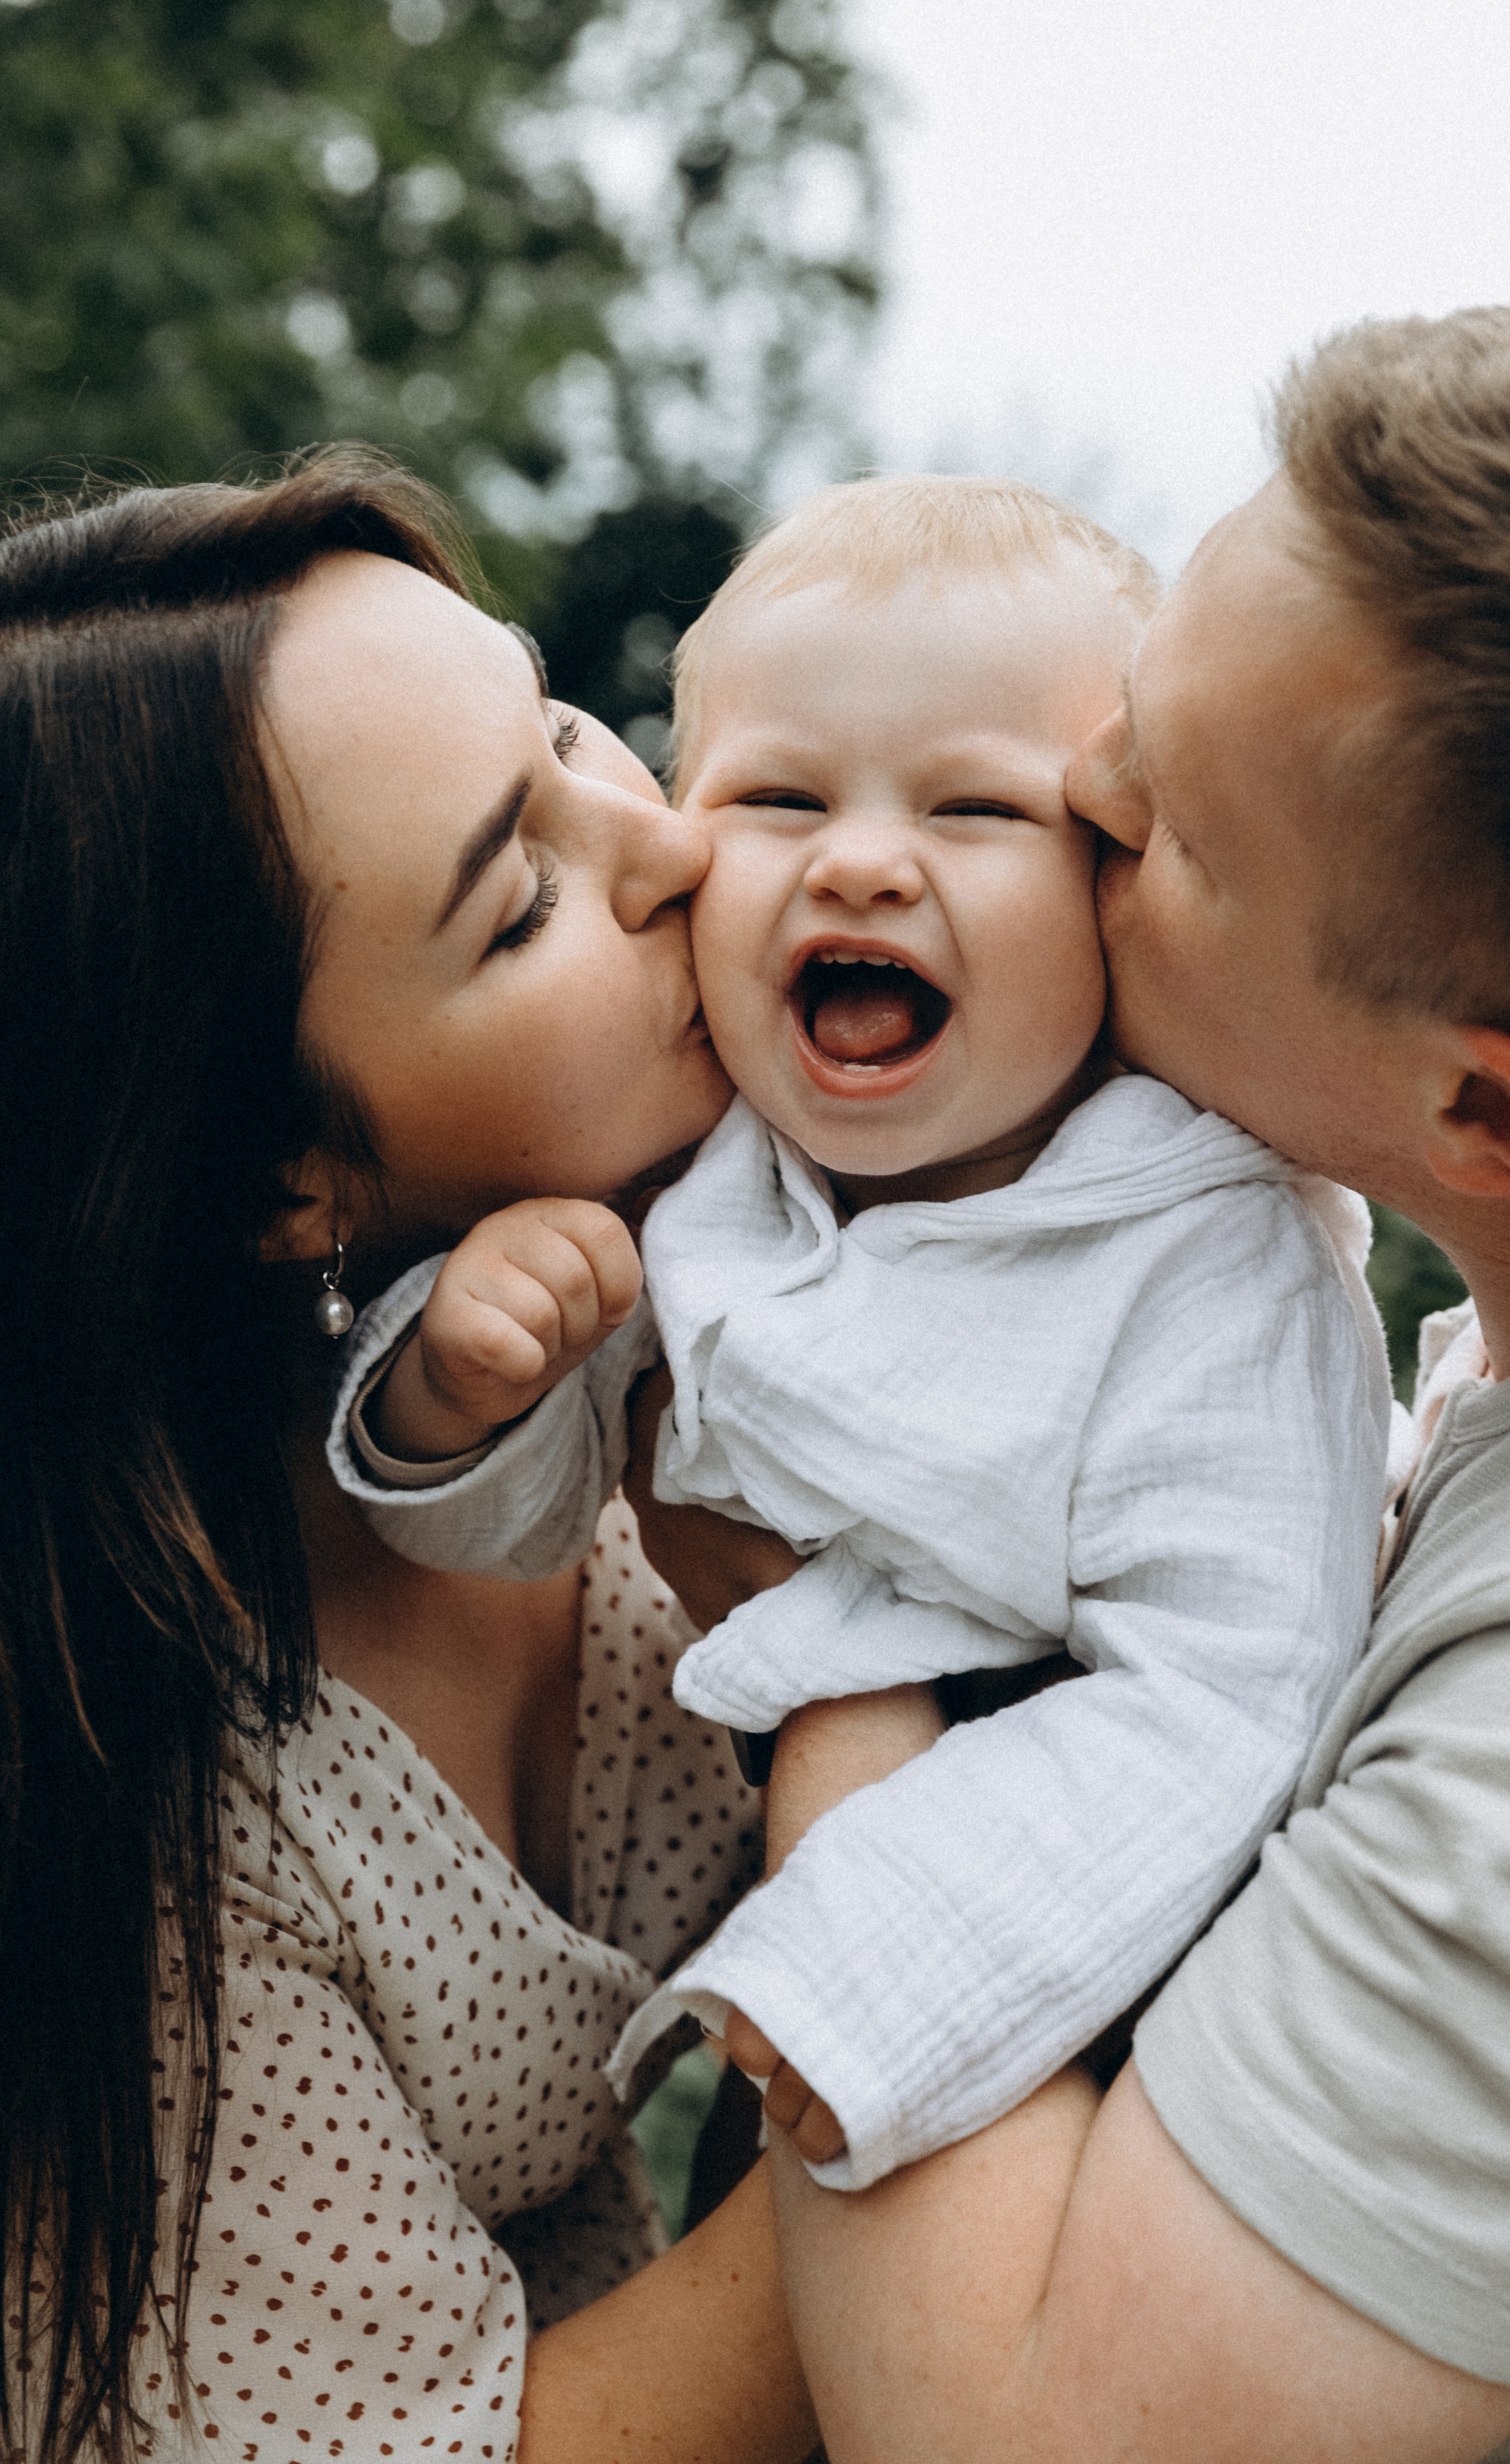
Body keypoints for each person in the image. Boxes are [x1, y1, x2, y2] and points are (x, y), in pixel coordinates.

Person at [659, 301, 1510, 2463]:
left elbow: (1016, 2440)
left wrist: (828, 1647)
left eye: (1166, 820)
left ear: (1483, 1119)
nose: (1076, 796)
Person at [325, 475, 1391, 2191]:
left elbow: (1231, 1688)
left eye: (976, 808)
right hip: (818, 1971)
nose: (865, 859)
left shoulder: (1202, 1253)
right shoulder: (711, 1181)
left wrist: (878, 1959)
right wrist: (462, 1394)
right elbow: (505, 1531)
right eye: (777, 796)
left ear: (1120, 879)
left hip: (1106, 1977)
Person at [0, 456, 818, 2461]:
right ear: (286, 1180)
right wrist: (978, 2012)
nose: (667, 847)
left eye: (558, 722)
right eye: (522, 898)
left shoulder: (673, 1314)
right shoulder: (154, 1800)